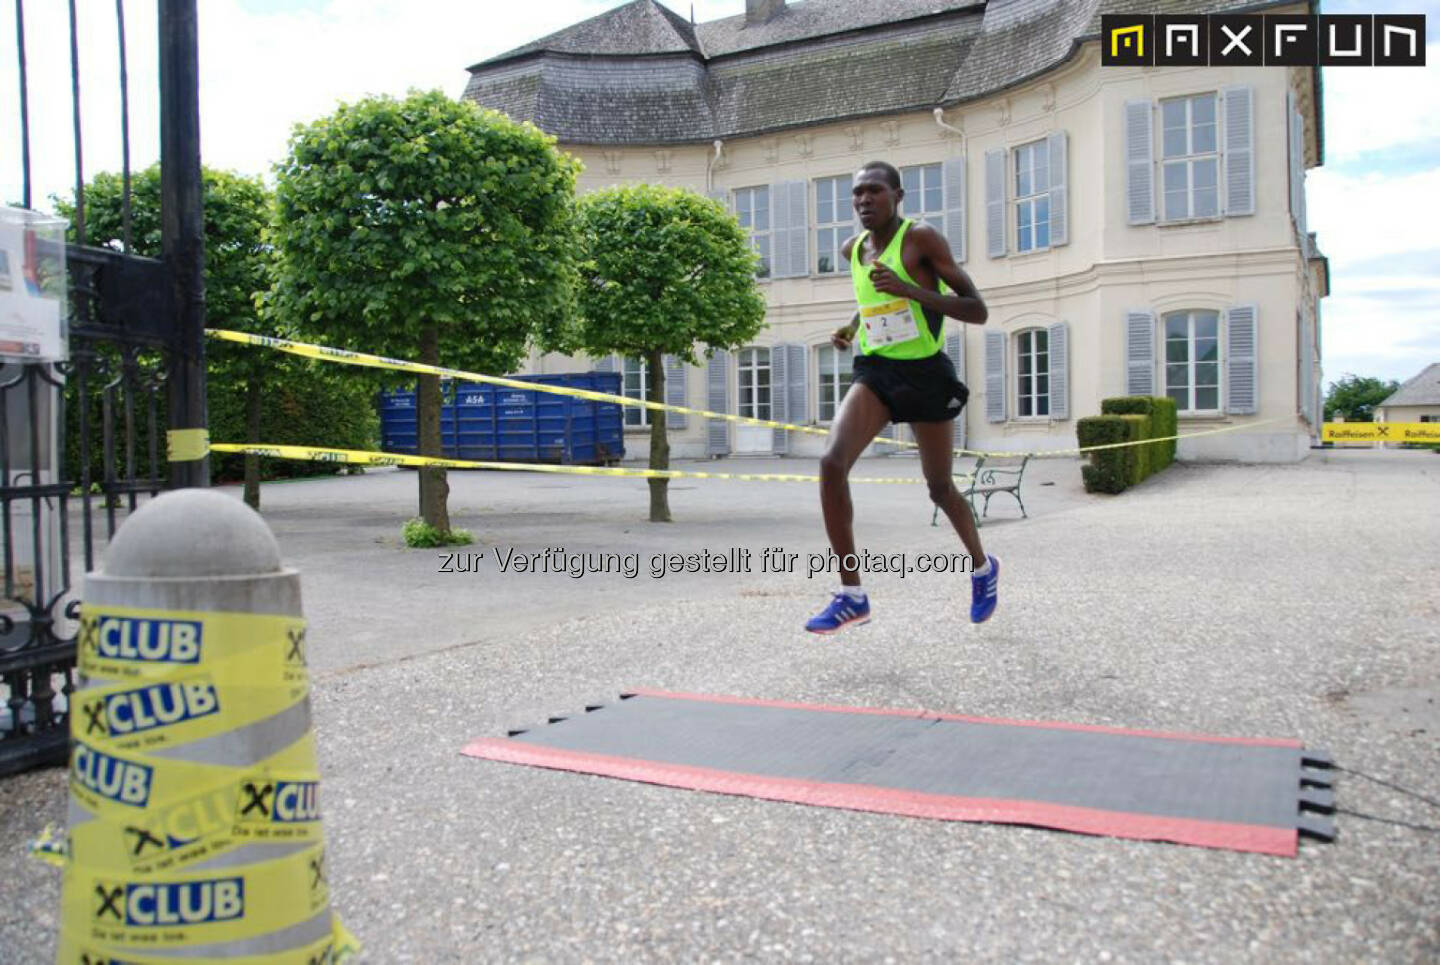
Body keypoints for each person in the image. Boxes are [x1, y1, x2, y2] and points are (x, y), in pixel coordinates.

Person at [805, 160, 998, 634]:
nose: (863, 200)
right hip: (876, 371)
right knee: (831, 462)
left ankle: (982, 567)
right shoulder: (853, 249)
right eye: (857, 193)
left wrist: (909, 289)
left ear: (898, 195)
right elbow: (870, 297)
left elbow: (977, 310)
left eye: (874, 191)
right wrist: (851, 327)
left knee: (939, 487)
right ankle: (852, 595)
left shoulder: (922, 240)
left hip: (926, 373)